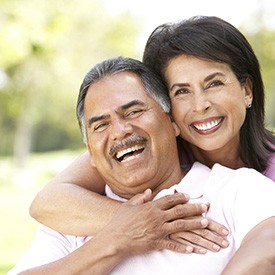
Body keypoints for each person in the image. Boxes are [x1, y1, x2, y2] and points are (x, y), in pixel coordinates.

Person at [9, 57, 275, 275]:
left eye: (134, 112)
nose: (120, 131)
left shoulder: (237, 190)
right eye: (101, 125)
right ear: (90, 151)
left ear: (172, 123)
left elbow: (269, 249)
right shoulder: (70, 222)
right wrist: (117, 239)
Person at [29, 15, 275, 247]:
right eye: (181, 91)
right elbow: (47, 202)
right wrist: (152, 222)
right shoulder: (152, 148)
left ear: (247, 91)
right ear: (165, 109)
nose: (201, 105)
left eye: (214, 84)